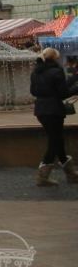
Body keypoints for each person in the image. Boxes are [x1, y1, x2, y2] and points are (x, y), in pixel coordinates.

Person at [30, 47, 77, 186]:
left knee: (58, 140)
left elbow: (34, 91)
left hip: (41, 110)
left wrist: (74, 78)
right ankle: (42, 176)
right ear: (55, 58)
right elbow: (63, 93)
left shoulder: (36, 72)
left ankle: (71, 174)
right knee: (55, 141)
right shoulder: (57, 72)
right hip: (54, 110)